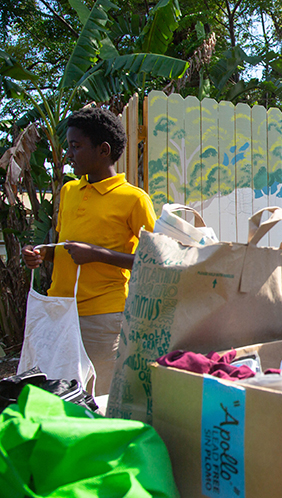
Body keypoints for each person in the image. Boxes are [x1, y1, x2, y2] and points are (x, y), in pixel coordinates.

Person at [22, 106, 156, 395]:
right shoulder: (69, 191)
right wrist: (42, 254)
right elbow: (65, 245)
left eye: (76, 146)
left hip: (103, 317)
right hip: (58, 313)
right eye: (69, 146)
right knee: (58, 394)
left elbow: (156, 261)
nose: (69, 154)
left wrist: (97, 255)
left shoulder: (133, 200)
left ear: (103, 150)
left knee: (98, 398)